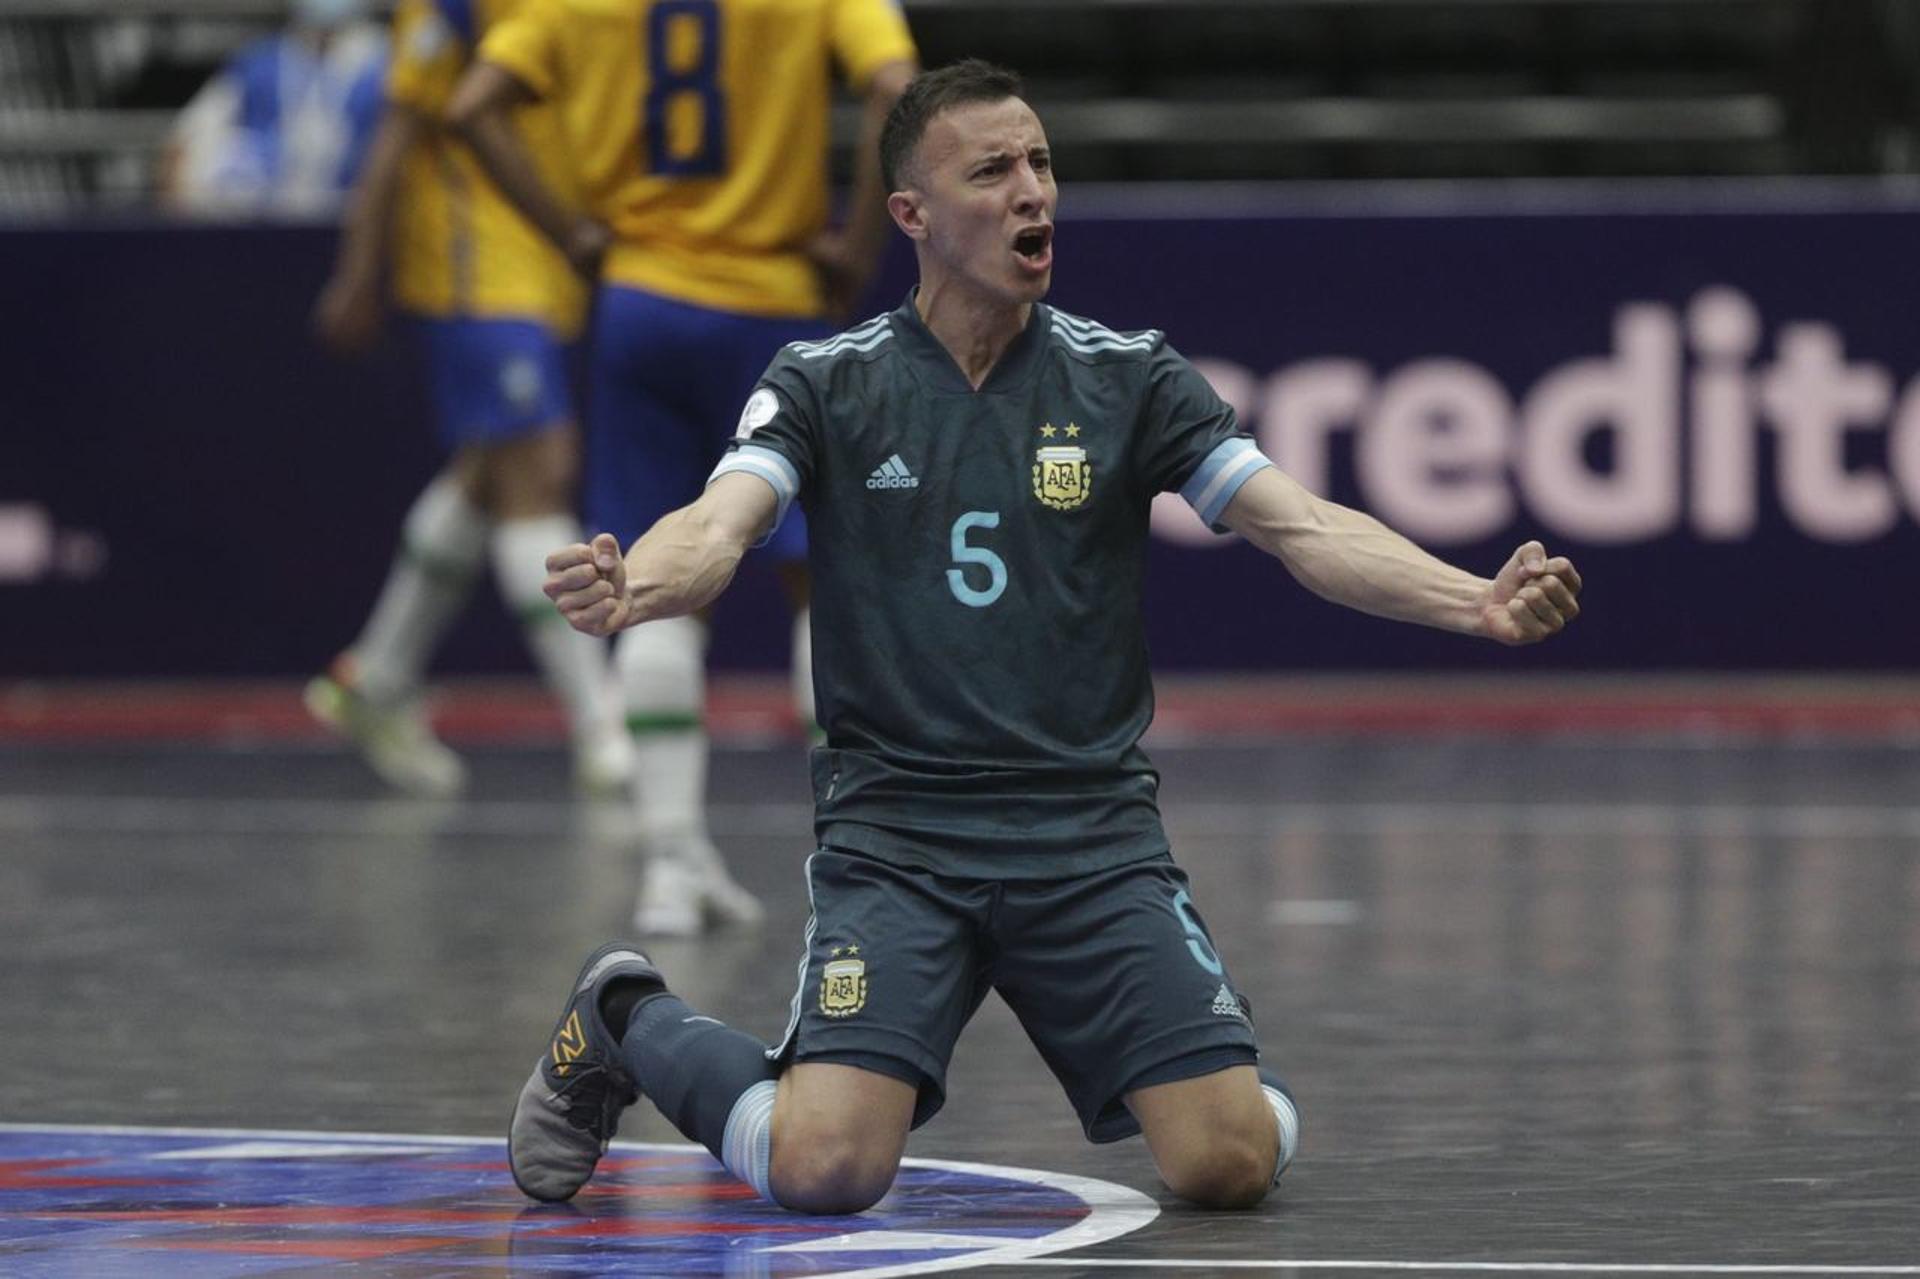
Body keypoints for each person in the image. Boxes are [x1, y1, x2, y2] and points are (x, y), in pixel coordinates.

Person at [513, 60, 1585, 1213]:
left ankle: (1209, 1070)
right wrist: (641, 587)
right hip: (901, 839)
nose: (1034, 192)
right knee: (826, 1167)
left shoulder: (1130, 379)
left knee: (1226, 1164)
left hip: (1089, 834)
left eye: (1040, 163)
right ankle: (627, 1018)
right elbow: (719, 525)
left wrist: (1469, 599)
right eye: (993, 171)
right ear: (911, 216)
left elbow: (1303, 525)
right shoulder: (826, 383)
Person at [443, 0, 917, 932]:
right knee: (822, 582)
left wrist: (574, 235)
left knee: (651, 582)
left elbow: (469, 108)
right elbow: (897, 86)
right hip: (774, 304)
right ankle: (861, 864)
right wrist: (861, 241)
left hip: (641, 304)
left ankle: (672, 860)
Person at [304, 0, 630, 799]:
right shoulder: (448, 7)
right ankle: (603, 726)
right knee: (540, 470)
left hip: (543, 265)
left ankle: (373, 678)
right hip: (473, 270)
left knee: (486, 476)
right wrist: (358, 270)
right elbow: (396, 132)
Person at [161, 0, 388, 219]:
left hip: (355, 217)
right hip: (267, 225)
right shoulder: (259, 61)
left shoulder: (386, 64)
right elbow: (183, 140)